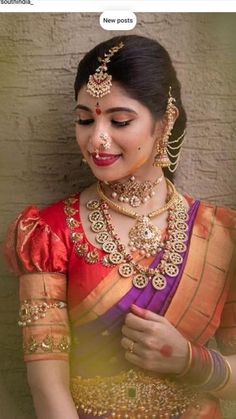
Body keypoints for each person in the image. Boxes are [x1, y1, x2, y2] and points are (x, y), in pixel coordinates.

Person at [5, 35, 236, 419]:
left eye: (120, 120)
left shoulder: (223, 235)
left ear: (166, 121)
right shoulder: (48, 234)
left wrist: (191, 362)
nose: (96, 138)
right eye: (84, 119)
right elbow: (48, 387)